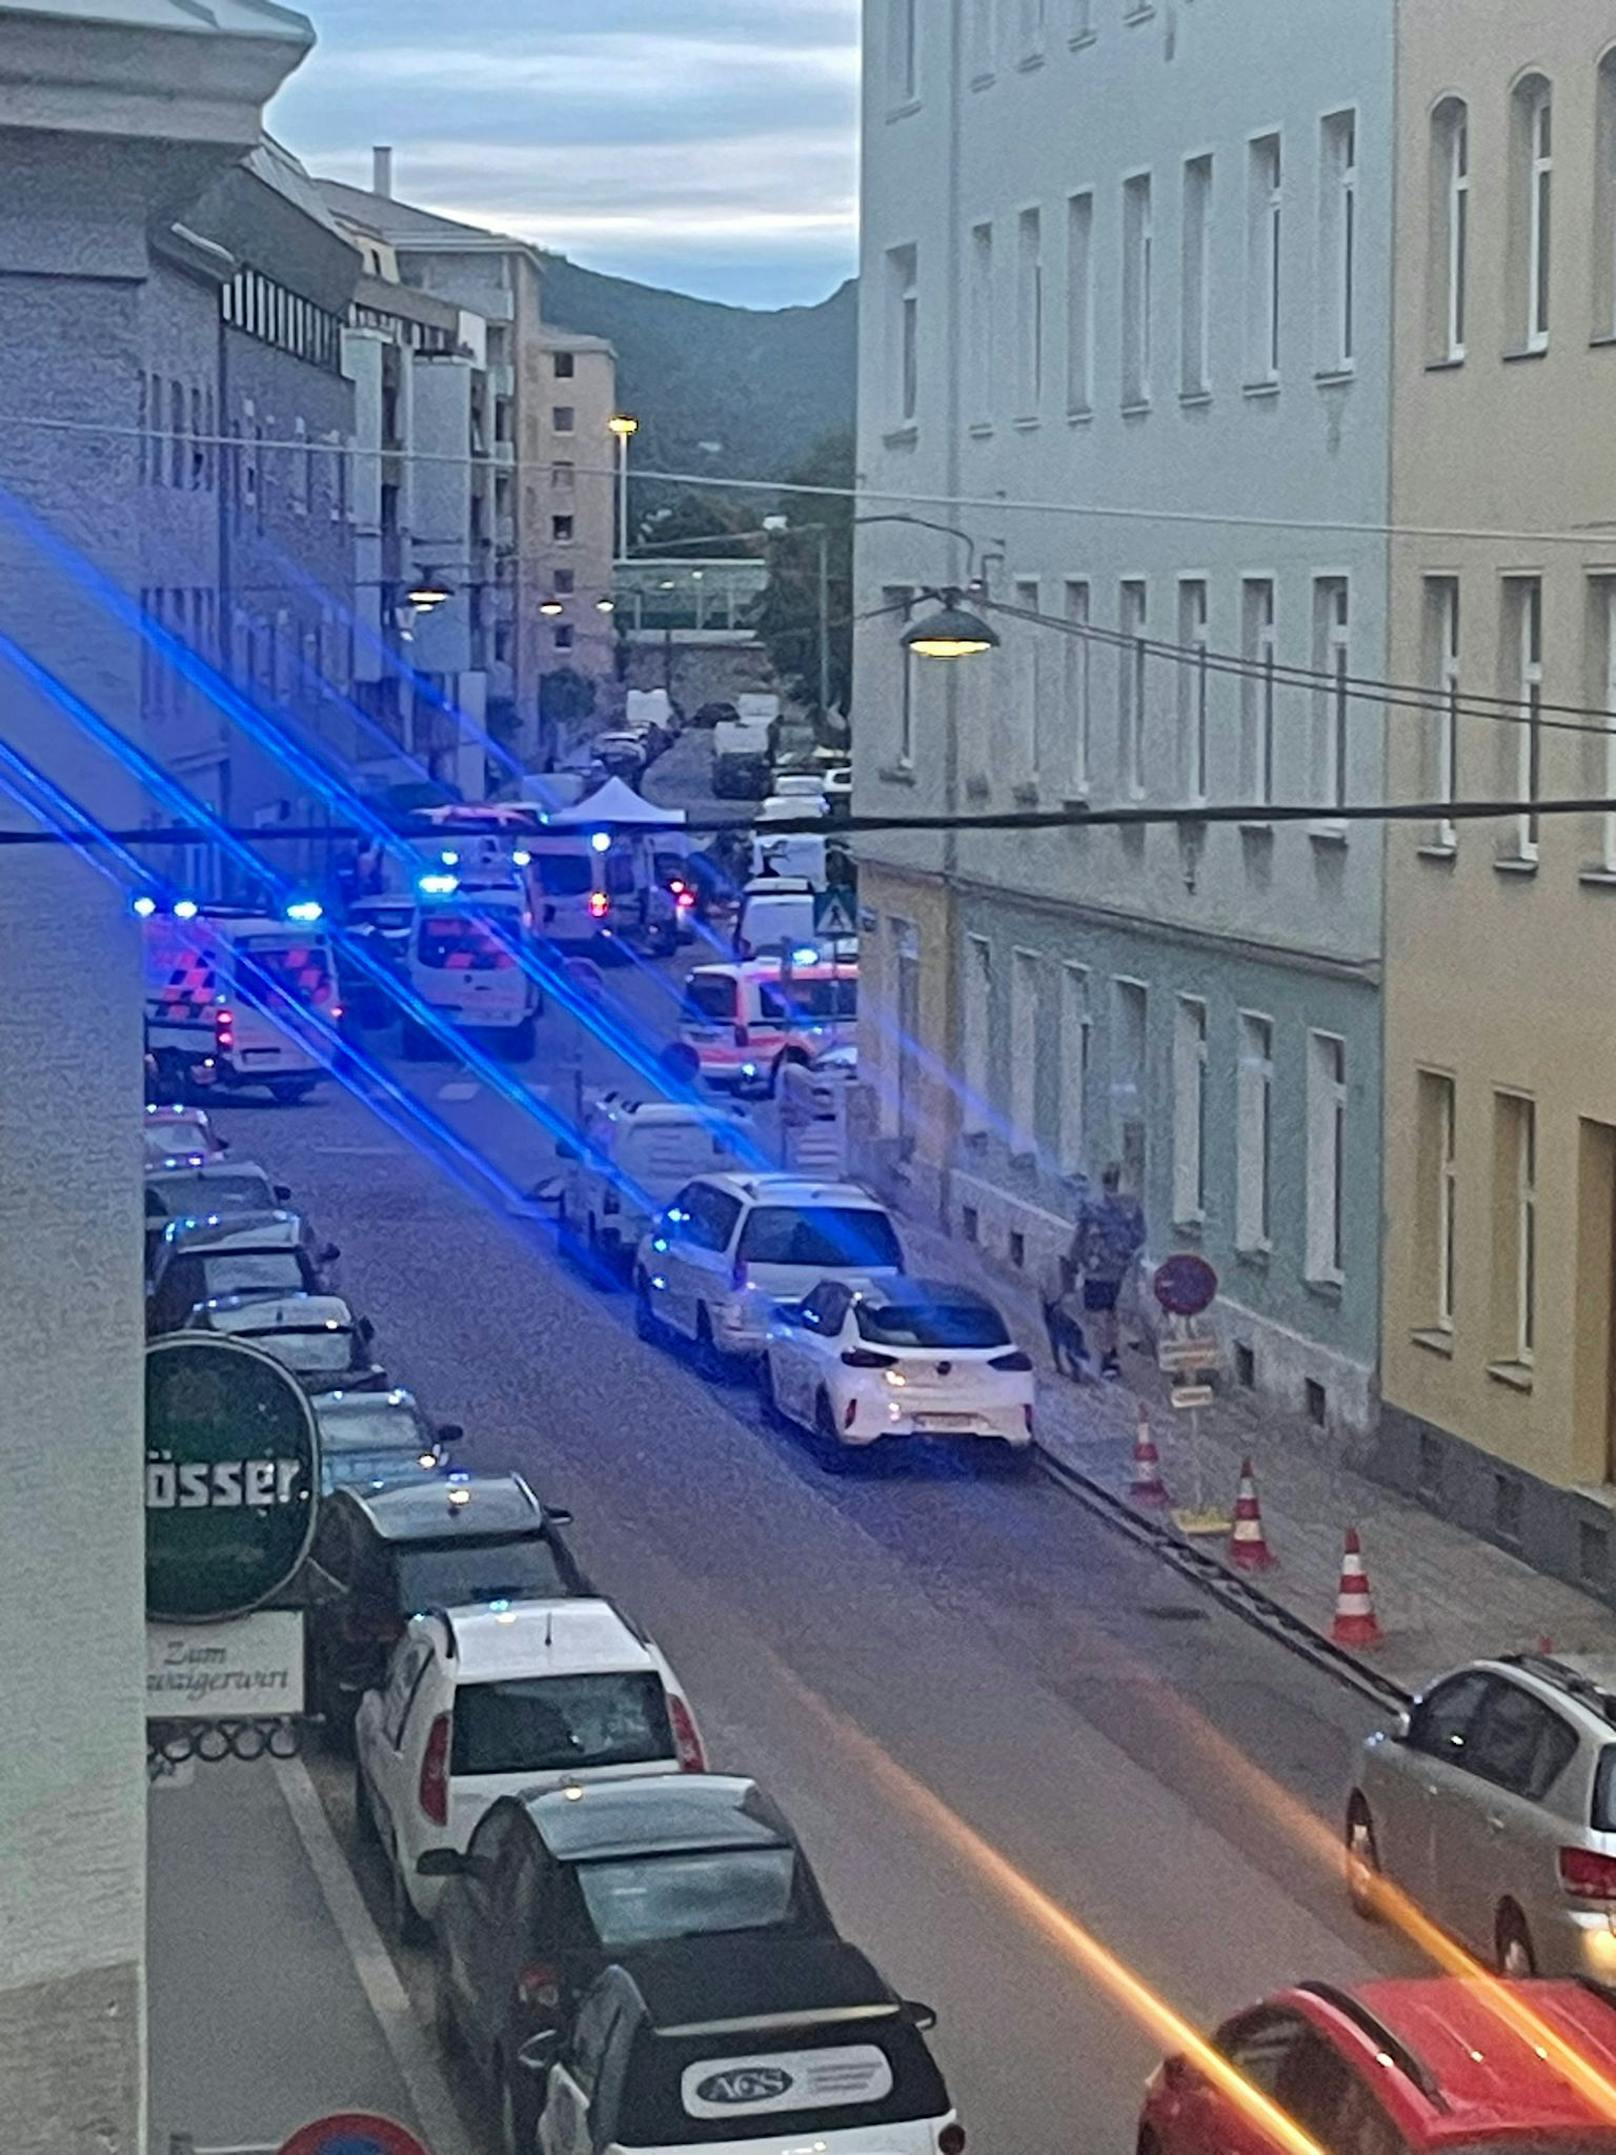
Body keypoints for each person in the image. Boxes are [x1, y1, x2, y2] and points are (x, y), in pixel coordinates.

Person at [1070, 1163, 1146, 1380]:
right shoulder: (1130, 1207)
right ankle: (1109, 1354)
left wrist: (1076, 1260)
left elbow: (1080, 1236)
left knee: (1100, 1312)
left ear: (1104, 1182)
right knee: (1110, 1311)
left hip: (1097, 1268)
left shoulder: (1093, 1206)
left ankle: (1105, 1356)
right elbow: (1140, 1235)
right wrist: (1127, 1252)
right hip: (1118, 1269)